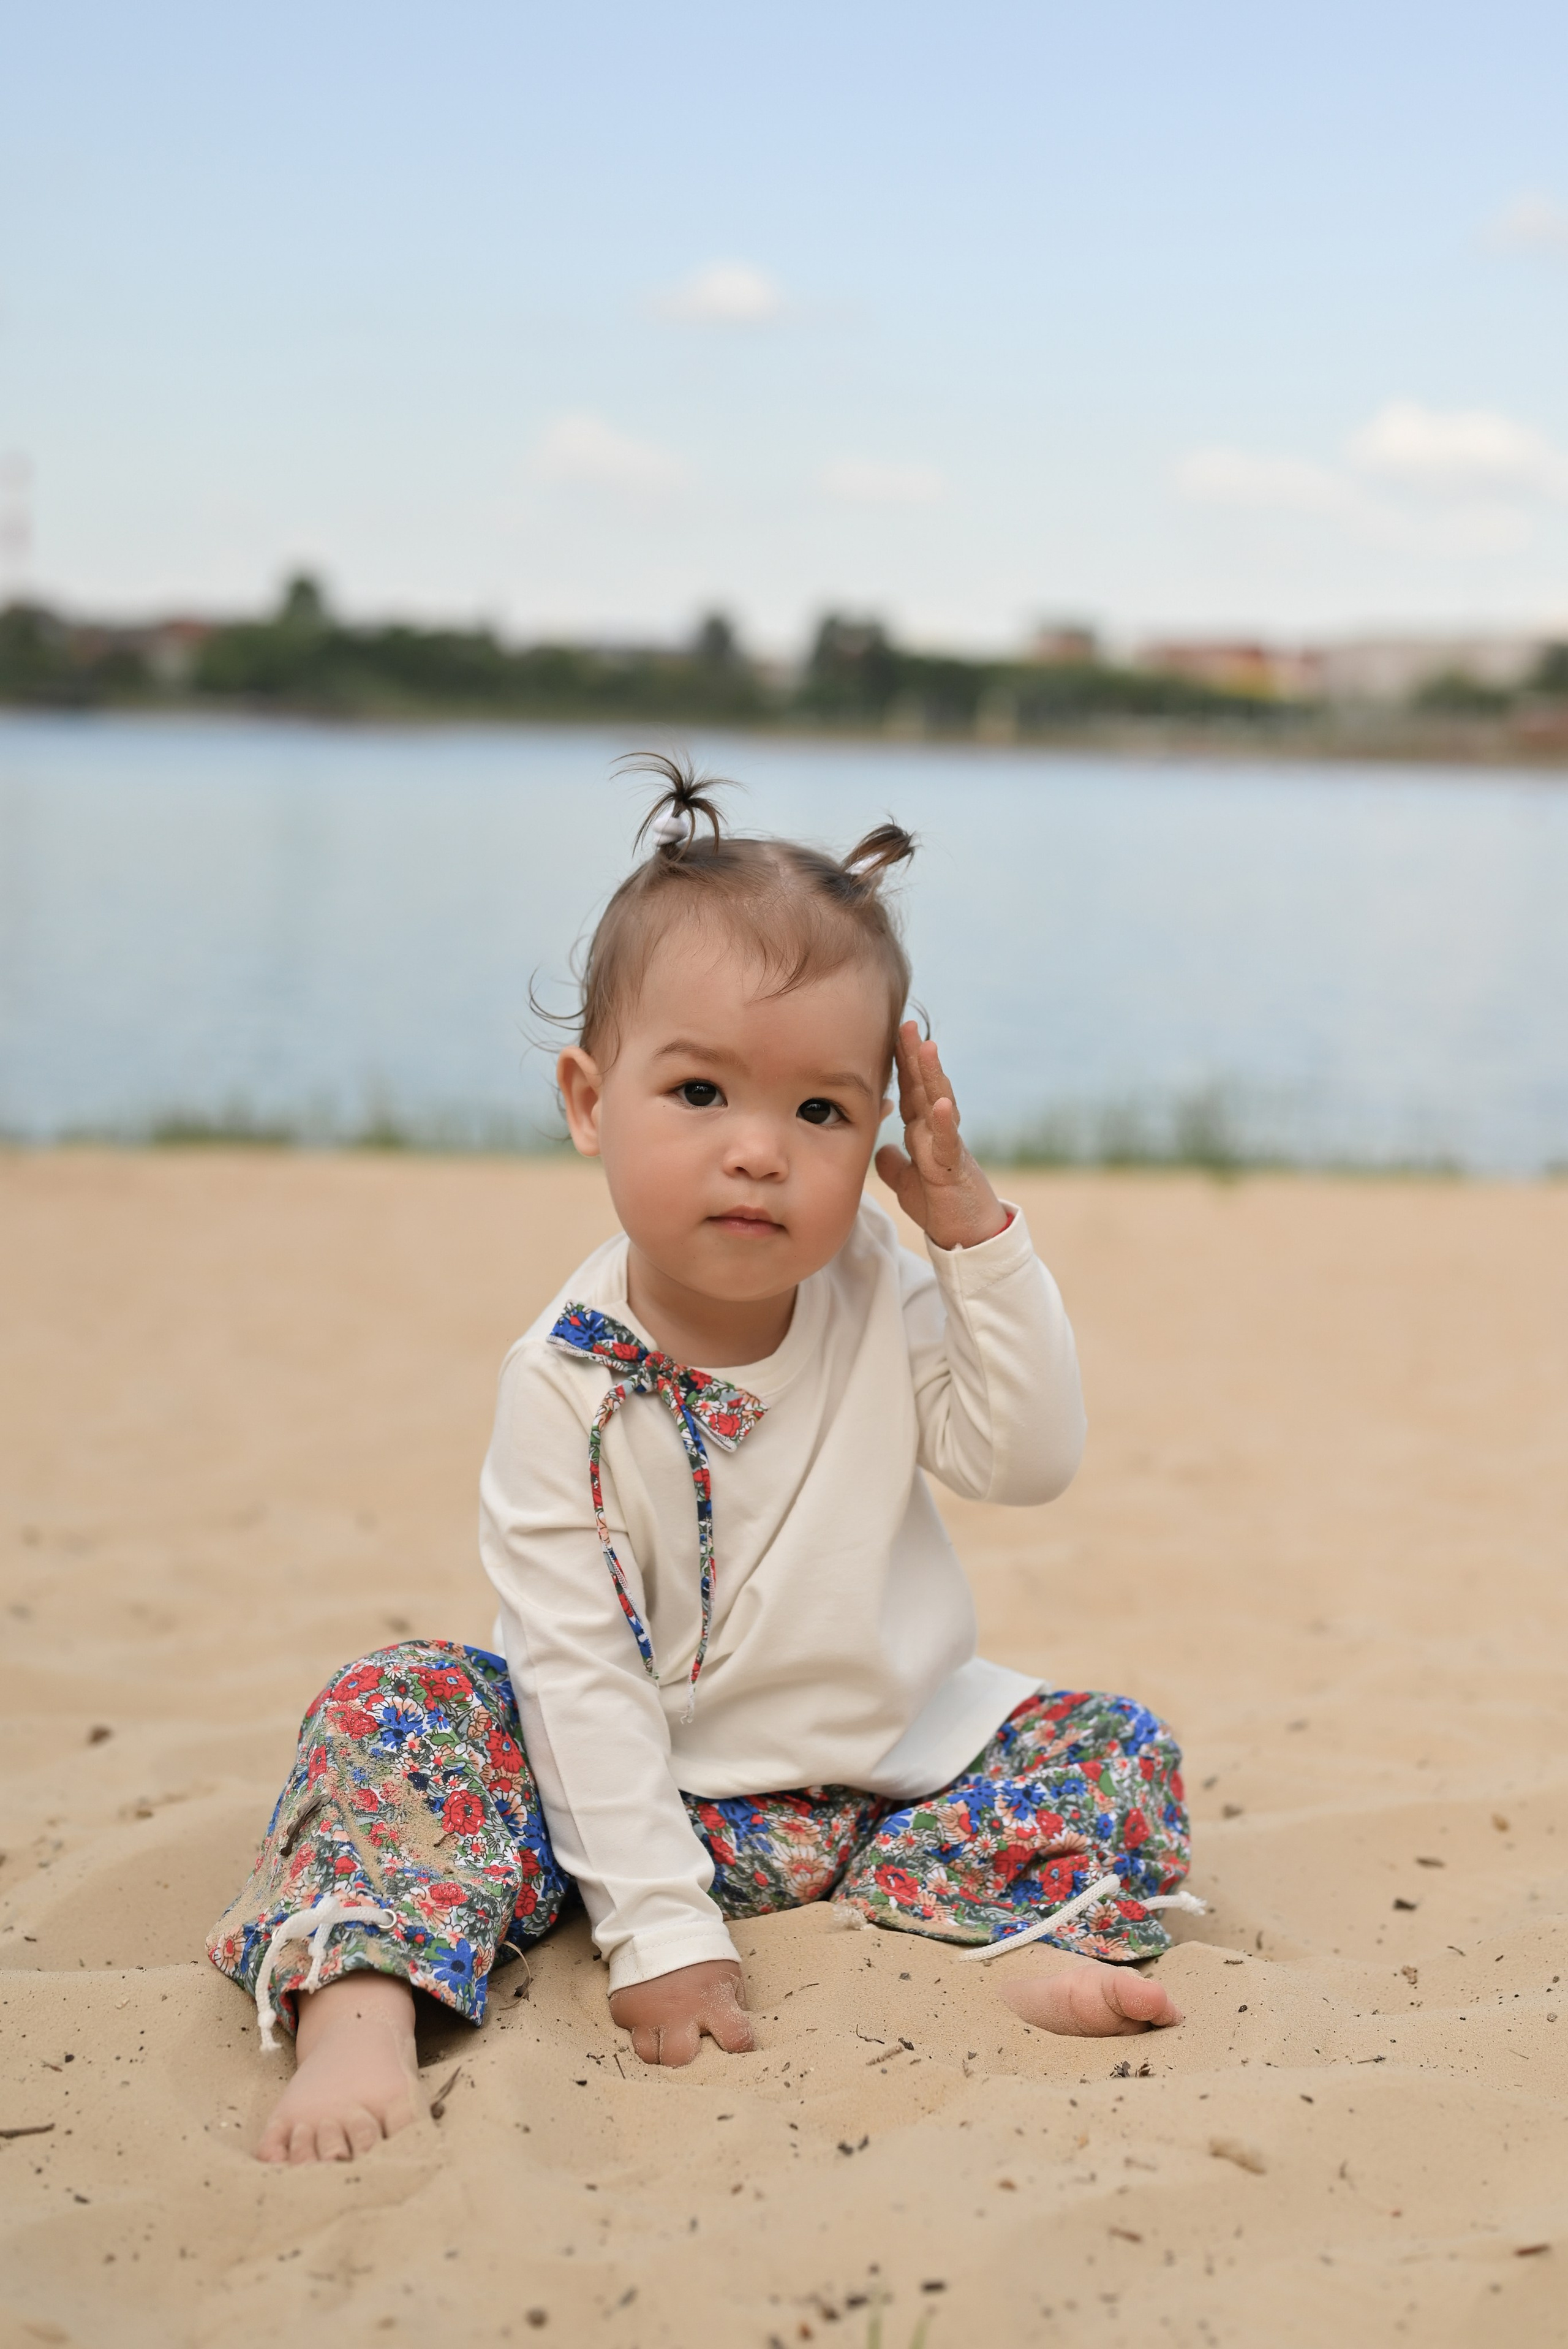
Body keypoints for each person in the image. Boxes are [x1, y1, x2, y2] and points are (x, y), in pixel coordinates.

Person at [208, 756, 1191, 2166]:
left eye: (819, 1113)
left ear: (878, 1130)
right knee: (395, 1704)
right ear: (589, 1101)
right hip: (624, 1790)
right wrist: (662, 1935)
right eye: (699, 1092)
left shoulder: (871, 1280)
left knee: (1111, 1749)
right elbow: (577, 1672)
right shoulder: (566, 1379)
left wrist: (971, 1235)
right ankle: (358, 2008)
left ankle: (989, 1948)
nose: (757, 1153)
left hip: (870, 1790)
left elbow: (1025, 1456)